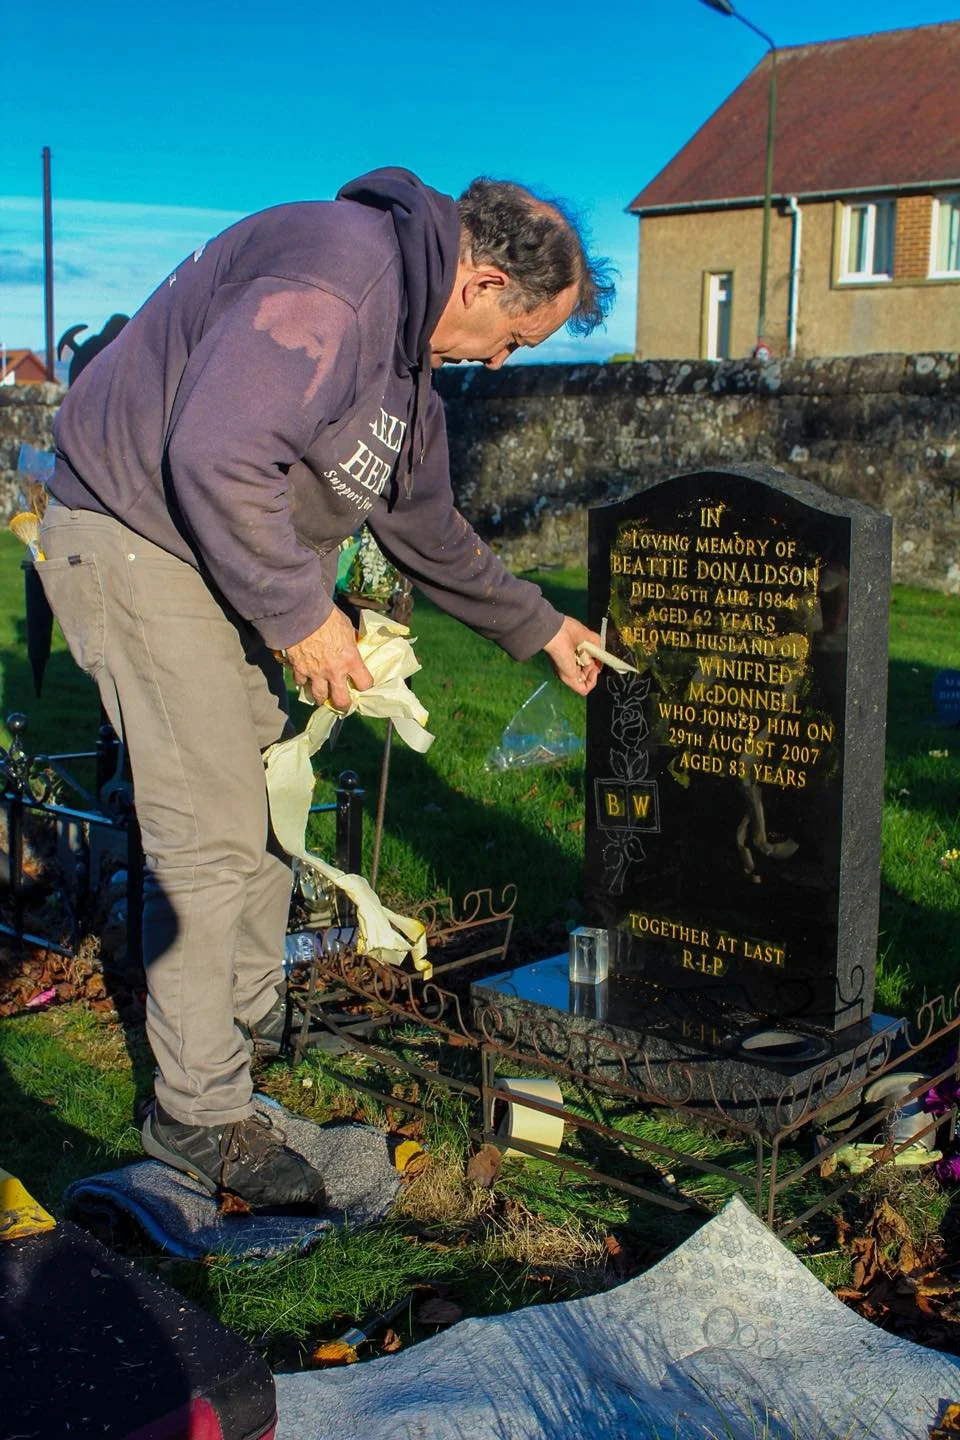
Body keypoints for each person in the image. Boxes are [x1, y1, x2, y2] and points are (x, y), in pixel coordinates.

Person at [38, 167, 615, 1212]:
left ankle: (242, 1023)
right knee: (207, 828)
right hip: (136, 539)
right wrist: (303, 614)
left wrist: (542, 627)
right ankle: (199, 1112)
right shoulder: (341, 276)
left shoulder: (406, 370)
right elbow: (217, 454)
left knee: (264, 799)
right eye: (513, 340)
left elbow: (426, 529)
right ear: (483, 281)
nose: (497, 362)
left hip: (218, 557)